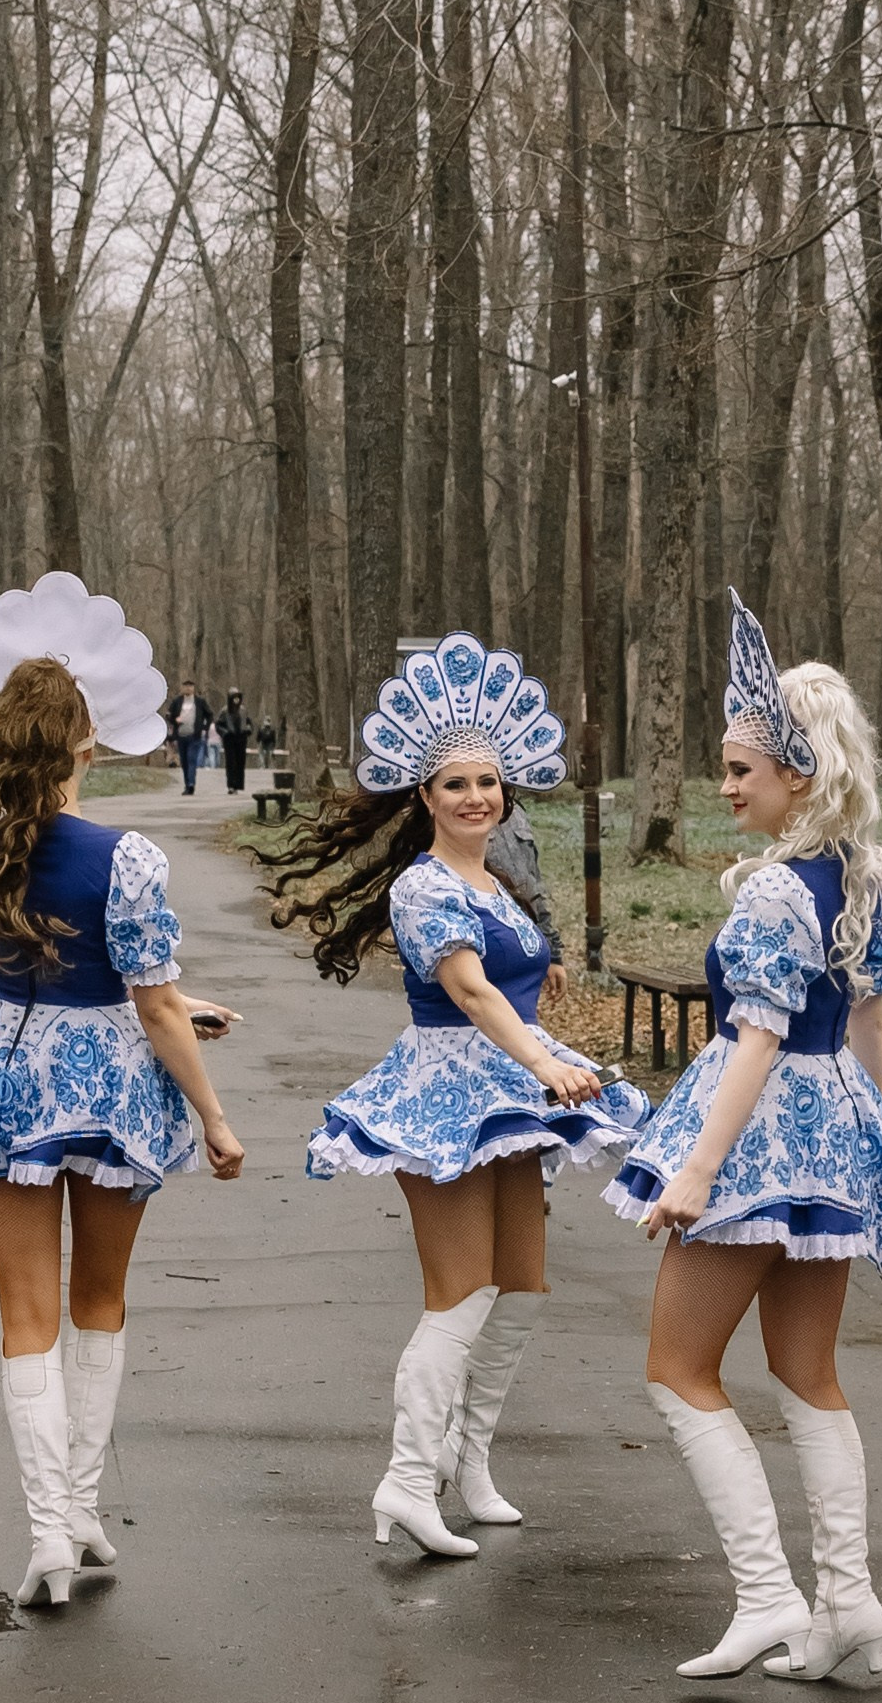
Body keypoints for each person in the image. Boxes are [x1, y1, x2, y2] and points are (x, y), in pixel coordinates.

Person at [0, 571, 245, 1608]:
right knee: (99, 1298)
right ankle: (76, 1505)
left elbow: (58, 965)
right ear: (85, 742)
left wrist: (181, 999)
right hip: (110, 1089)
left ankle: (52, 1528)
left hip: (5, 1073)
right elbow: (149, 1002)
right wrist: (213, 1115)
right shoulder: (125, 853)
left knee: (24, 1313)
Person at [269, 631, 648, 1558]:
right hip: (449, 1089)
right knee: (460, 1296)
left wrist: (543, 977)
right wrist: (546, 1065)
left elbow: (508, 971)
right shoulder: (421, 885)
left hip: (509, 1089)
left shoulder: (496, 877)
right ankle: (405, 1481)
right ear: (425, 799)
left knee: (520, 1289)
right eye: (455, 786)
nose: (475, 797)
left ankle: (468, 1464)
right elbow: (470, 990)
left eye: (487, 783)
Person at [605, 594, 882, 1681]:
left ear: (800, 773)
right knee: (806, 1372)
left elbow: (753, 1037)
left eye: (741, 767)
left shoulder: (772, 894)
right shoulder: (864, 881)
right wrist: (872, 1139)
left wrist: (696, 1169)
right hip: (830, 1127)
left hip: (755, 1136)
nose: (727, 784)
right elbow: (868, 1023)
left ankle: (767, 1595)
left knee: (676, 1366)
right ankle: (849, 1602)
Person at [485, 799, 564, 995]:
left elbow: (533, 886)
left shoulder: (516, 812)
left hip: (524, 954)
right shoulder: (460, 811)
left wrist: (553, 955)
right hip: (486, 949)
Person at [166, 680, 211, 797]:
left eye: (190, 686)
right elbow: (169, 715)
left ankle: (191, 784)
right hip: (181, 736)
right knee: (184, 761)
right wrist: (175, 720)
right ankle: (187, 784)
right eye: (186, 686)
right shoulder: (177, 701)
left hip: (194, 736)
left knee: (191, 759)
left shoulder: (200, 702)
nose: (188, 689)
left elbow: (210, 714)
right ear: (182, 688)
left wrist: (204, 727)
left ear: (193, 688)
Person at [216, 688, 252, 794]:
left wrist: (248, 729)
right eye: (234, 698)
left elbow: (248, 722)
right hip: (230, 739)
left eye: (237, 698)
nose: (236, 700)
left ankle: (238, 784)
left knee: (240, 761)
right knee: (231, 762)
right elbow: (218, 724)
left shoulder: (243, 710)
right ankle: (231, 785)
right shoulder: (224, 711)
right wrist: (225, 733)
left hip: (241, 738)